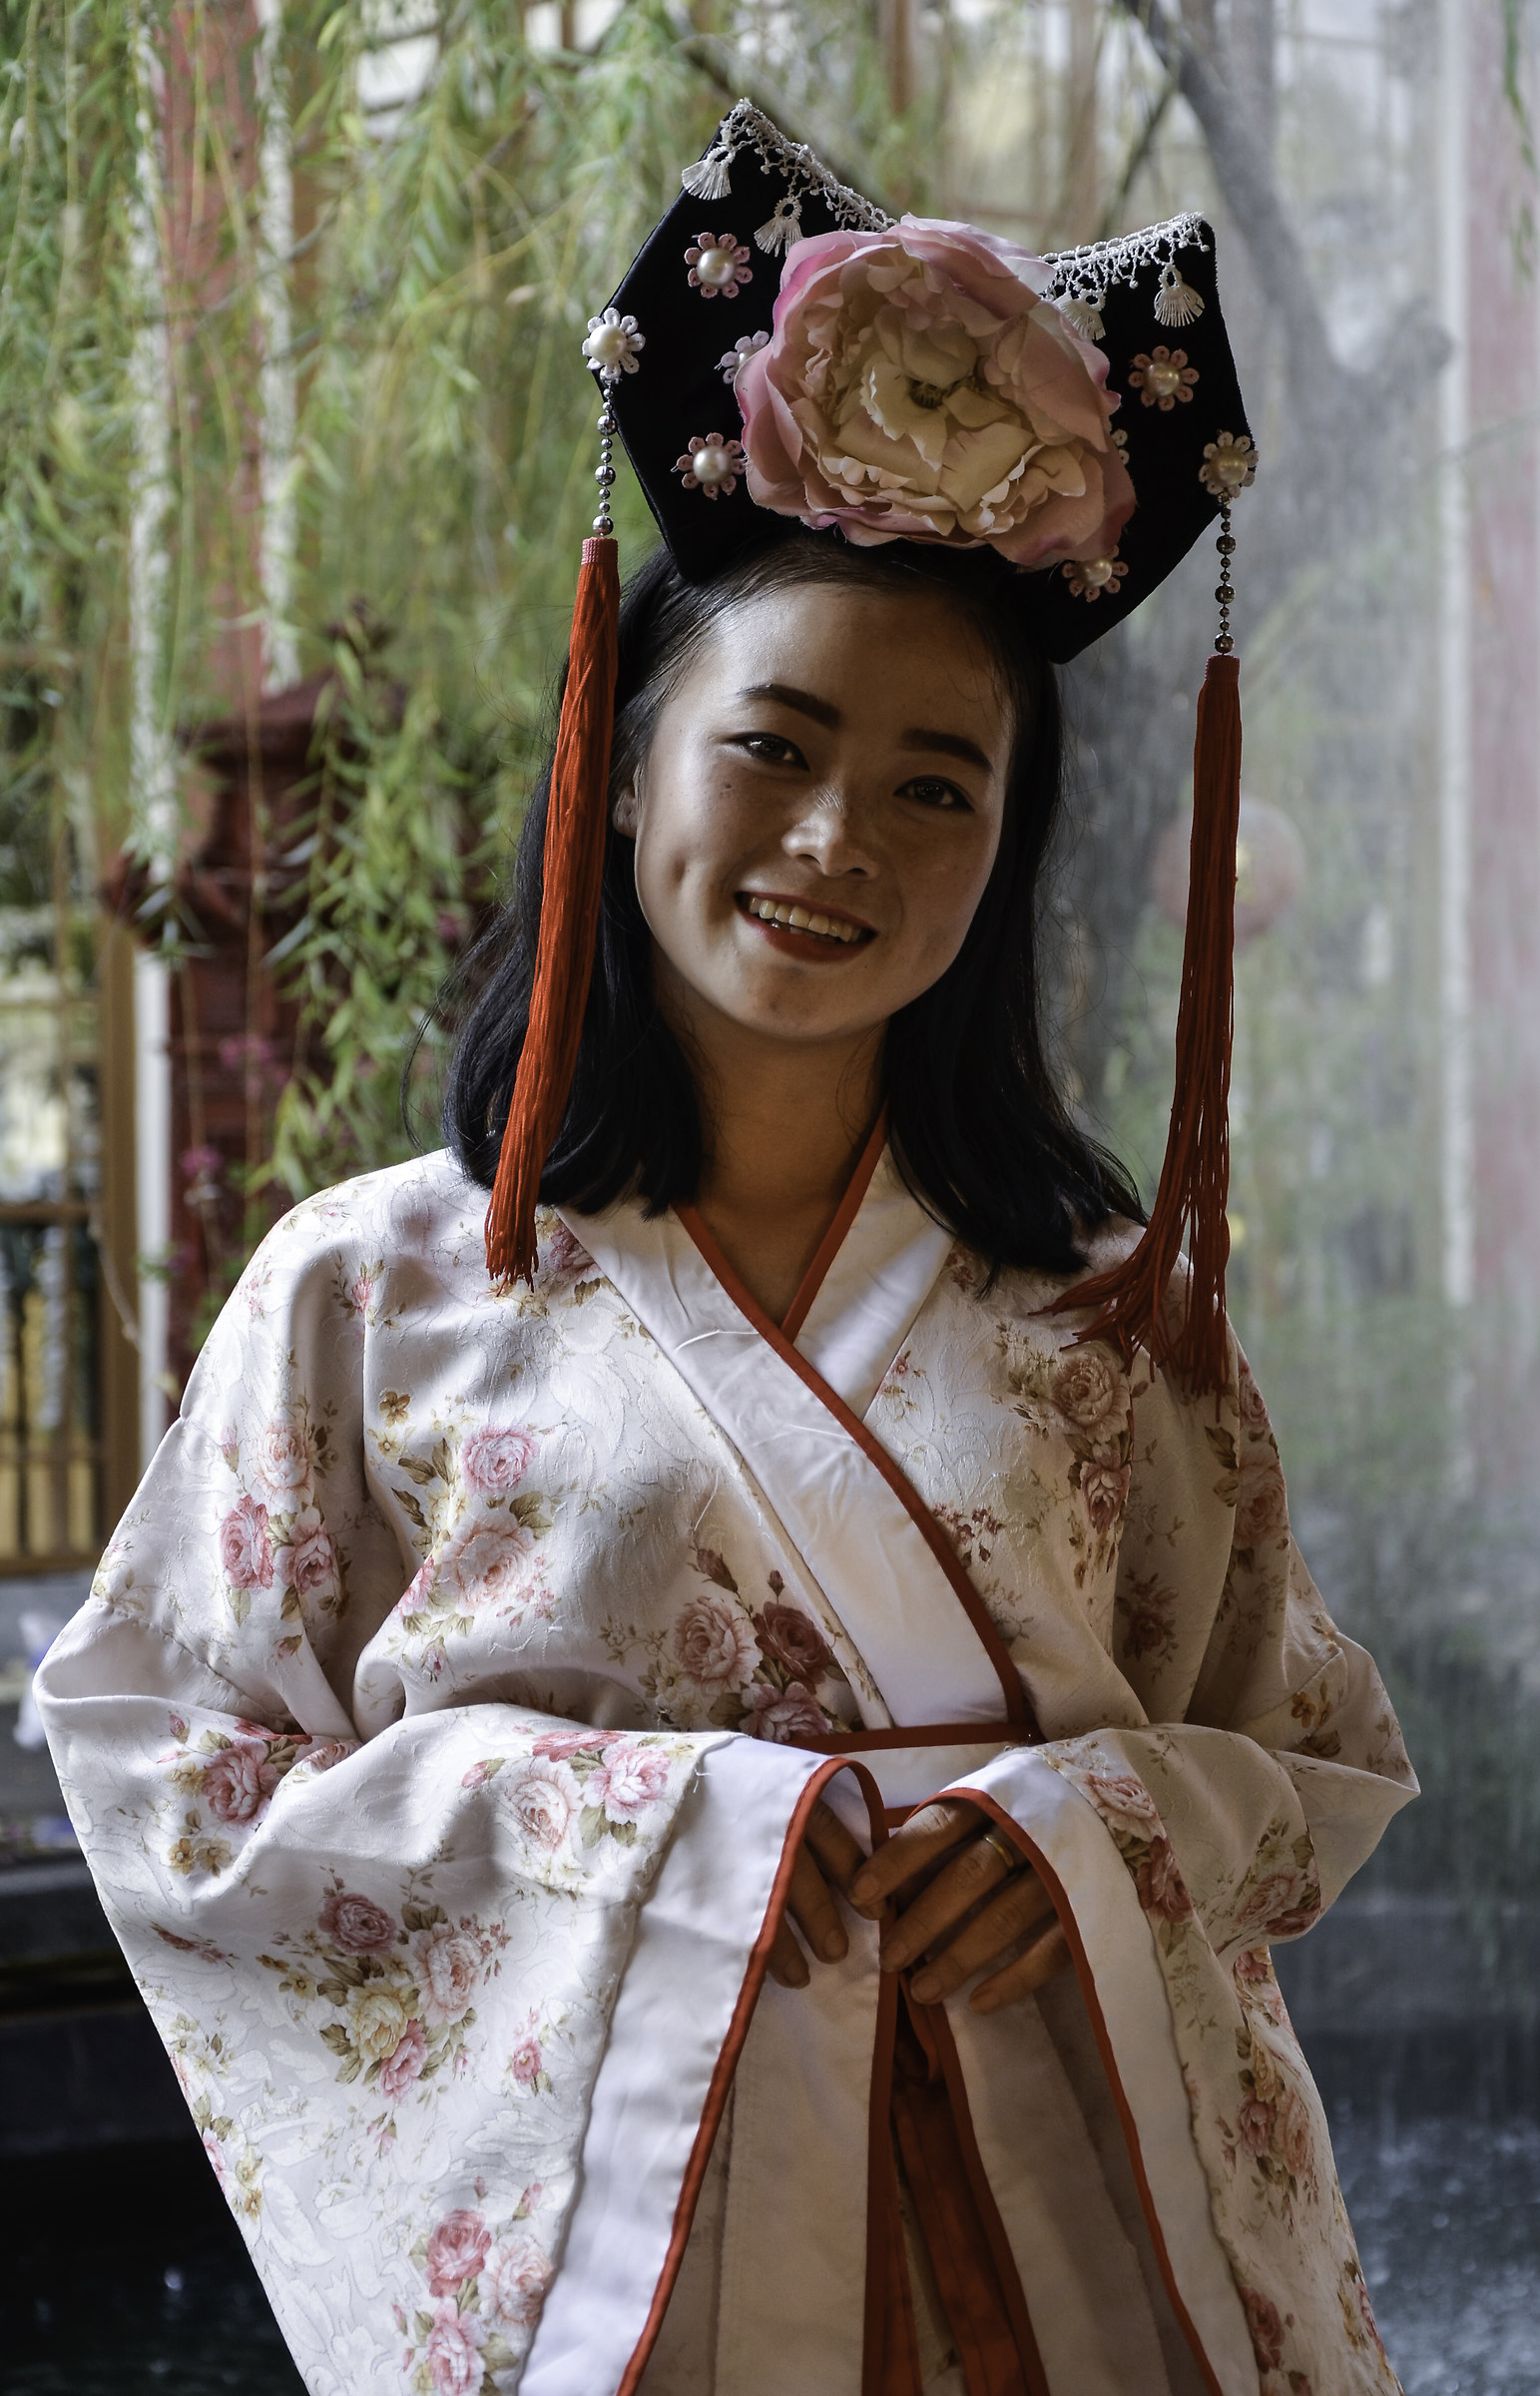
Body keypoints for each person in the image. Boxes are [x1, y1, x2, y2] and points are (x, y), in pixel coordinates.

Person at [40, 103, 1414, 2396]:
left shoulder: (1106, 1316)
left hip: (1063, 2274)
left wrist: (1087, 1827)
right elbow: (157, 1755)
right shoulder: (375, 1293)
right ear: (621, 755)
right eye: (769, 747)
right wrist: (673, 1842)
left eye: (931, 785)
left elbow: (1300, 1752)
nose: (831, 837)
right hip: (635, 2270)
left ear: (1009, 854)